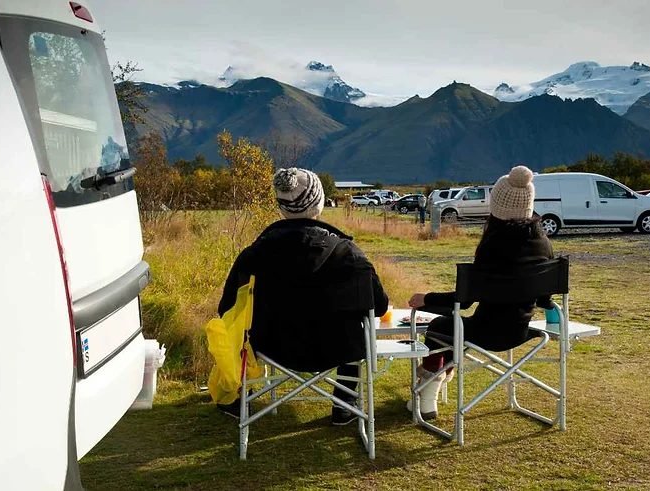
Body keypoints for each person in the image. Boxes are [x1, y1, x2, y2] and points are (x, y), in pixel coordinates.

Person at [217, 167, 389, 425]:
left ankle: (244, 396)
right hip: (336, 349)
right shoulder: (349, 254)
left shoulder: (253, 255)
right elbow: (379, 305)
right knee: (354, 325)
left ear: (282, 208)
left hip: (271, 348)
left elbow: (227, 308)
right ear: (318, 204)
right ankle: (345, 403)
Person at [407, 166, 554, 420]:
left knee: (439, 328)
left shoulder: (492, 247)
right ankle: (425, 396)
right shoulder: (543, 244)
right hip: (519, 332)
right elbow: (545, 299)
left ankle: (427, 398)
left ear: (497, 205)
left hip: (484, 331)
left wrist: (427, 299)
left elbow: (463, 302)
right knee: (452, 329)